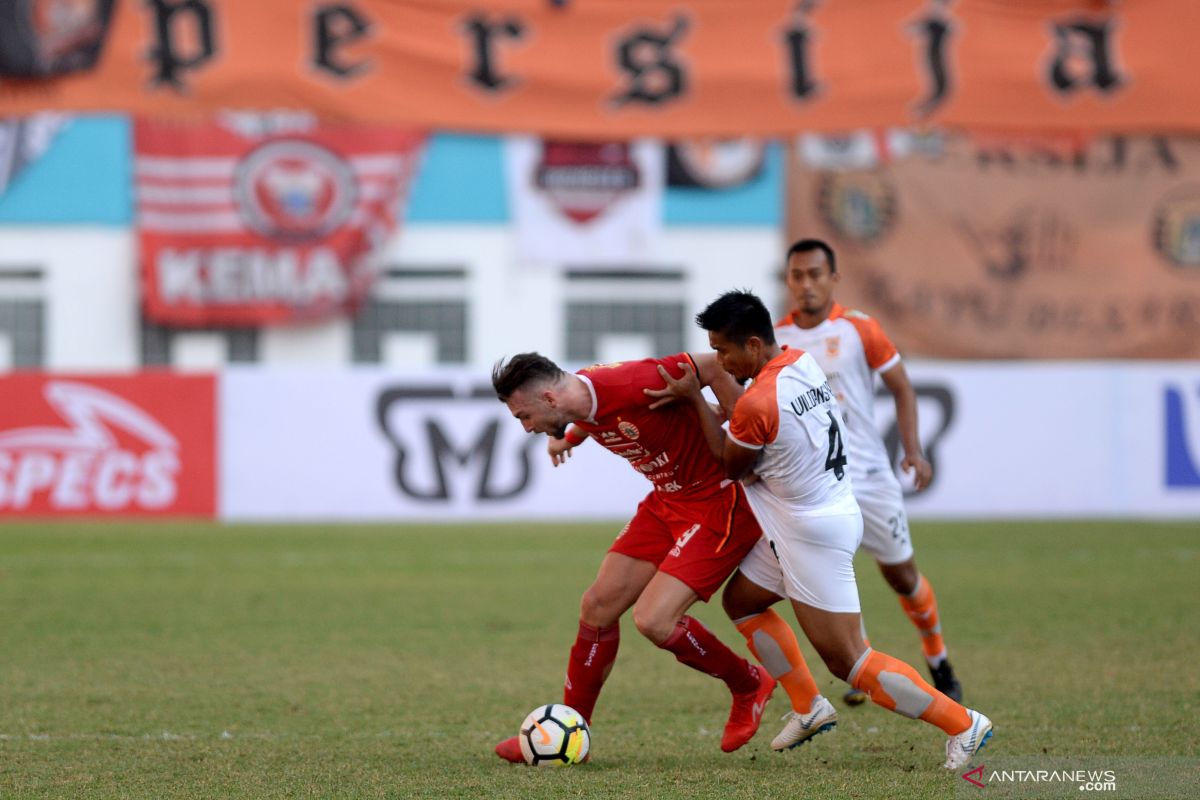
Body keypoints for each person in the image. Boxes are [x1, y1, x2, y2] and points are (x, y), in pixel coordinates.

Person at [647, 290, 992, 769]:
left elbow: (731, 466)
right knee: (741, 602)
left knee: (849, 660)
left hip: (810, 533)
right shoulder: (801, 362)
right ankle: (810, 707)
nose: (720, 362)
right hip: (825, 510)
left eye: (723, 351)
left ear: (752, 344)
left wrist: (693, 400)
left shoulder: (757, 403)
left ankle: (963, 724)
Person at [489, 351, 780, 763]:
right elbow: (592, 418)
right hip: (668, 502)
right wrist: (569, 437)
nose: (526, 427)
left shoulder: (631, 382)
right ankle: (573, 735)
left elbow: (713, 366)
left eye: (524, 416)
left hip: (719, 502)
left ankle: (749, 684)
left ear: (550, 400)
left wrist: (743, 434)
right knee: (597, 606)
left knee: (654, 620)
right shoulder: (579, 399)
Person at [773, 238, 962, 707]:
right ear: (788, 281)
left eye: (815, 274)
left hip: (871, 478)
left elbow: (902, 387)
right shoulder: (777, 339)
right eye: (797, 275)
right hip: (815, 483)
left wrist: (913, 450)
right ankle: (861, 662)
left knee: (901, 577)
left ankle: (938, 658)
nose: (806, 284)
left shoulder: (859, 329)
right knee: (826, 575)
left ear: (833, 278)